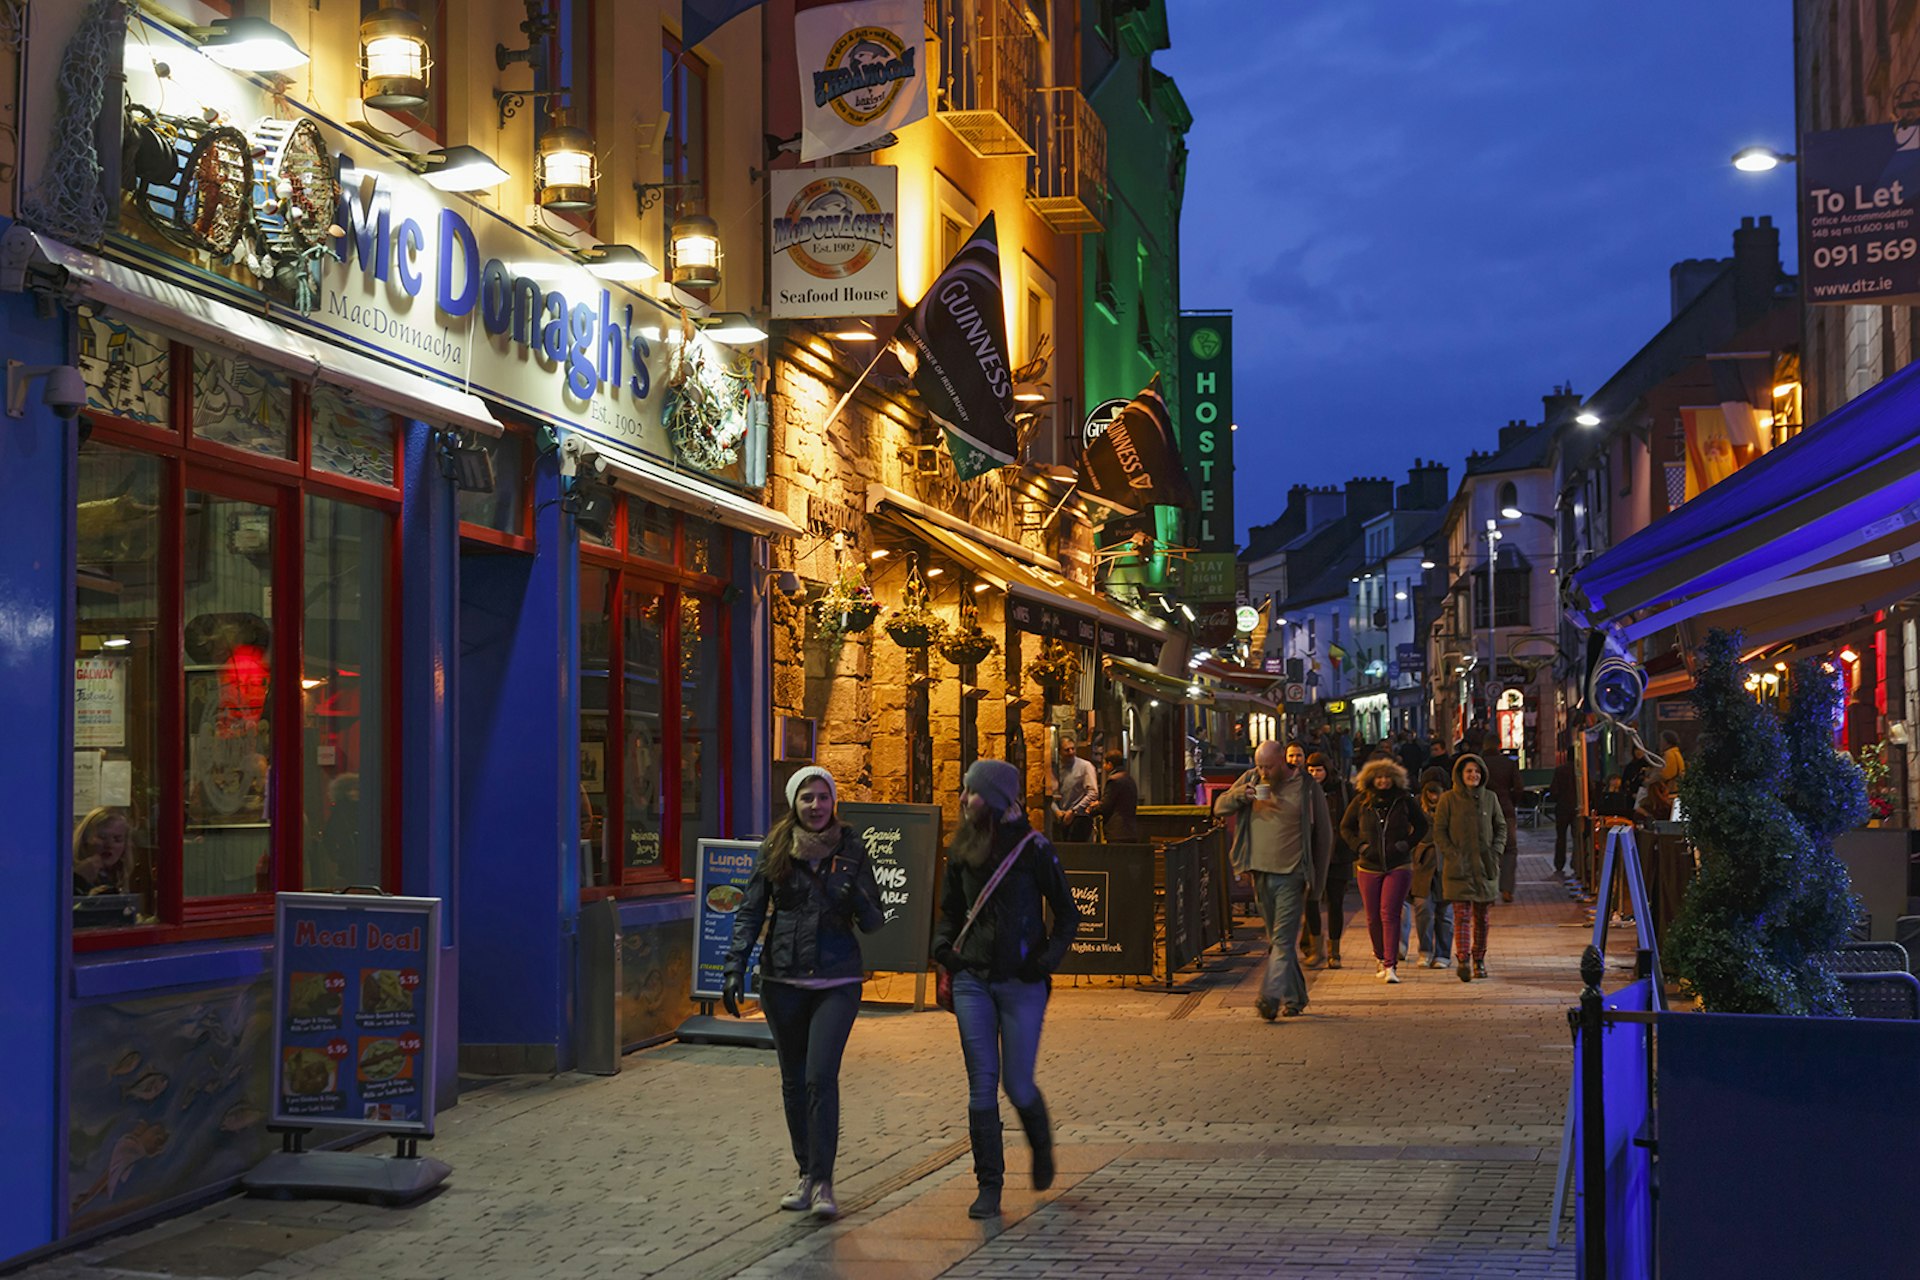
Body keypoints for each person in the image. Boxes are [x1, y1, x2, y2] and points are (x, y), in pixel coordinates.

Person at [722, 766, 885, 1221]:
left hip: (837, 980)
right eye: (807, 798)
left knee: (819, 1078)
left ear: (834, 802)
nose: (816, 806)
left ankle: (825, 1180)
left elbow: (875, 922)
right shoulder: (775, 848)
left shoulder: (852, 848)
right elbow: (750, 912)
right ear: (794, 803)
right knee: (793, 1083)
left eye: (823, 797)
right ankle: (806, 1174)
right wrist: (734, 967)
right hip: (782, 981)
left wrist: (857, 896)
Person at [932, 758, 1081, 1220]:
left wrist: (1046, 960)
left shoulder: (1035, 848)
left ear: (995, 798)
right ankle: (989, 1185)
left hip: (1022, 983)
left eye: (971, 791)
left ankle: (1040, 1144)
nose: (962, 799)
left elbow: (1067, 913)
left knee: (1016, 1083)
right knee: (981, 1085)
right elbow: (950, 913)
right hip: (973, 980)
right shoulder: (961, 847)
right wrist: (943, 948)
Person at [1216, 740, 1333, 1021]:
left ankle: (1269, 996)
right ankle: (1297, 997)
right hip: (1259, 872)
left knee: (1281, 940)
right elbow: (1220, 807)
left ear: (1283, 760)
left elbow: (1324, 836)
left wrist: (1317, 885)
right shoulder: (1252, 779)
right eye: (1259, 765)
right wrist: (1240, 796)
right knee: (1276, 940)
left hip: (1292, 874)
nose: (1264, 772)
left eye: (1268, 766)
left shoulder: (1306, 787)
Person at [1340, 758, 1428, 983]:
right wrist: (1360, 846)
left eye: (1387, 777)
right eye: (1379, 777)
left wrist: (1405, 844)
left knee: (1390, 913)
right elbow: (1345, 827)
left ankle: (1391, 965)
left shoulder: (1405, 801)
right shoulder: (1361, 802)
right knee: (1372, 916)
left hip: (1398, 865)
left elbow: (1422, 826)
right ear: (1371, 779)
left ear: (1394, 779)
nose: (1383, 781)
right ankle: (1379, 956)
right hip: (1368, 866)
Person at [1435, 753, 1506, 982]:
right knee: (1462, 916)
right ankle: (1463, 959)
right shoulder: (1448, 800)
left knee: (1482, 918)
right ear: (1460, 774)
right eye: (1468, 771)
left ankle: (1479, 959)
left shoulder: (1490, 798)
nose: (1473, 775)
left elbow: (1501, 827)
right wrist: (1452, 854)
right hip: (1459, 869)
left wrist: (1495, 852)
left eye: (1476, 771)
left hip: (1485, 868)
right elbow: (1440, 831)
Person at [1298, 751, 1352, 969]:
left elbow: (1351, 818)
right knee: (1311, 901)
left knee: (1335, 903)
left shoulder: (1342, 789)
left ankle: (1335, 952)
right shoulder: (1302, 790)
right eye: (1310, 770)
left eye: (1318, 770)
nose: (1314, 774)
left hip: (1339, 855)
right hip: (1312, 856)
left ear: (1327, 770)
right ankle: (1315, 948)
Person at [1475, 732, 1524, 902]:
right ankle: (1507, 889)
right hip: (1506, 809)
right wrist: (1512, 801)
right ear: (1498, 744)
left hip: (1483, 811)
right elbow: (1519, 787)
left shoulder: (1479, 764)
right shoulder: (1508, 763)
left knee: (1486, 848)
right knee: (1509, 849)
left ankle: (1489, 890)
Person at [1410, 780, 1452, 966]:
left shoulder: (1451, 808)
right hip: (1422, 866)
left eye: (1436, 792)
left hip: (1446, 865)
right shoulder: (1416, 810)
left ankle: (1443, 953)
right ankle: (1425, 950)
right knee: (1423, 908)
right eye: (1430, 792)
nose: (1433, 797)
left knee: (1445, 912)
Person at [72, 807, 132, 896]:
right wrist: (78, 878)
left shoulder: (120, 874)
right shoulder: (65, 871)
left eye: (117, 839)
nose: (109, 845)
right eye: (102, 837)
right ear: (84, 839)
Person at [1049, 735, 1098, 842]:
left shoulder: (1085, 767)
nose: (1071, 752)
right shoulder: (1055, 769)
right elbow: (1050, 793)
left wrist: (1074, 811)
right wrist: (1056, 811)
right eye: (1067, 750)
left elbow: (1093, 793)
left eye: (1073, 749)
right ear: (1060, 752)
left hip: (1080, 819)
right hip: (1060, 818)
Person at [1086, 749, 1141, 842]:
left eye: (1104, 763)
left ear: (1110, 764)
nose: (1103, 766)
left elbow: (1106, 806)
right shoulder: (1129, 778)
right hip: (1130, 830)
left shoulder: (1113, 780)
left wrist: (1091, 809)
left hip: (1117, 831)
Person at [1551, 753, 1578, 878]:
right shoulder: (1581, 770)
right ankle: (1576, 862)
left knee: (1561, 837)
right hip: (1577, 808)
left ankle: (1559, 863)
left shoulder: (1560, 770)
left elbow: (1554, 791)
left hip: (1562, 808)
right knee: (1577, 837)